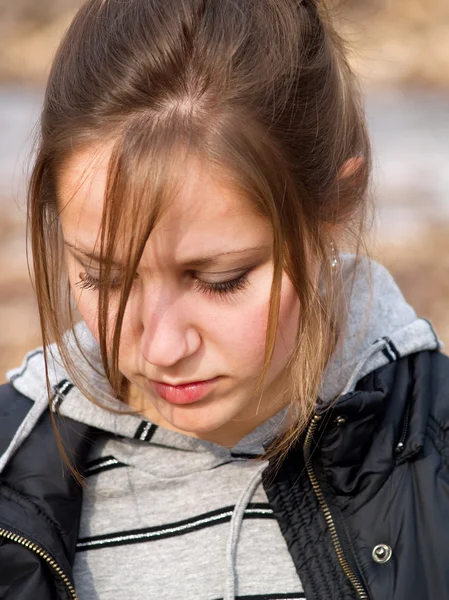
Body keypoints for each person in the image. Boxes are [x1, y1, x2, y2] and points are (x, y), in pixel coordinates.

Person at [0, 0, 448, 598]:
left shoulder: (434, 457)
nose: (161, 347)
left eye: (220, 279)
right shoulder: (13, 474)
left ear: (335, 209)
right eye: (104, 277)